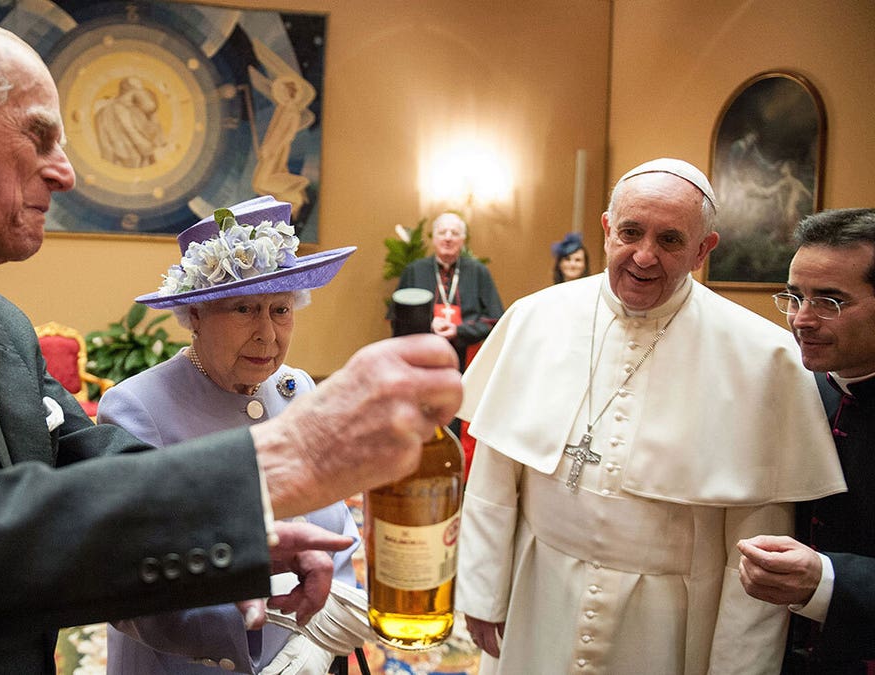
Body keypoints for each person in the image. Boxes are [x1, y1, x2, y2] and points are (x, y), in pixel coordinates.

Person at [0, 18, 462, 673]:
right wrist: (291, 457)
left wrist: (243, 534)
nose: (64, 171)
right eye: (39, 136)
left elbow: (89, 459)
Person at [455, 158, 846, 674]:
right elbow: (495, 474)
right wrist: (482, 591)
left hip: (671, 616)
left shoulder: (762, 358)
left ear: (705, 249)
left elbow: (756, 551)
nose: (643, 256)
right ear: (606, 229)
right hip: (539, 588)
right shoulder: (535, 317)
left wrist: (739, 667)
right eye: (631, 232)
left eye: (670, 240)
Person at [100, 195, 370, 674]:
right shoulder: (138, 408)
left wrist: (327, 629)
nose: (268, 334)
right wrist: (264, 644)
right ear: (196, 314)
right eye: (244, 308)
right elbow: (130, 586)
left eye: (281, 310)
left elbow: (335, 525)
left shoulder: (298, 386)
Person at [737, 208, 875, 673]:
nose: (801, 320)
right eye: (795, 297)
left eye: (830, 301)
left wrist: (829, 579)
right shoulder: (793, 387)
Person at [393, 212, 503, 368]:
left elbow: (494, 320)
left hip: (467, 360)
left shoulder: (478, 271)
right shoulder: (414, 270)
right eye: (442, 232)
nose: (448, 238)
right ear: (434, 237)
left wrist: (459, 331)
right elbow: (398, 320)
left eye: (455, 233)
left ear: (463, 240)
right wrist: (429, 324)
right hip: (422, 359)